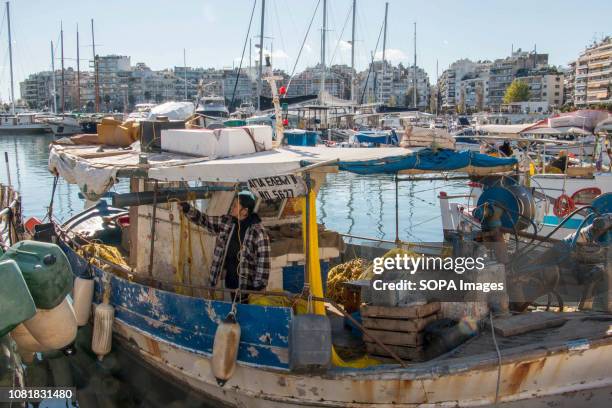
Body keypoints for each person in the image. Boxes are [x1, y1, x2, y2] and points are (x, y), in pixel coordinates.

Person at [179, 191, 270, 300]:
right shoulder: (227, 222)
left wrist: (258, 290)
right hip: (229, 283)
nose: (232, 207)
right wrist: (188, 209)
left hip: (248, 289)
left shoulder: (258, 233)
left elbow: (263, 264)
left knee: (245, 314)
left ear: (244, 211)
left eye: (235, 205)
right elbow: (206, 221)